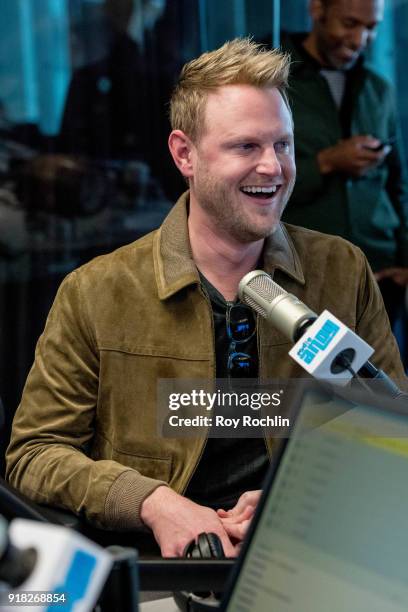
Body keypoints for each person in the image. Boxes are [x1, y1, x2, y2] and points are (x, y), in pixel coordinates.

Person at [6, 39, 406, 558]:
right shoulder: (97, 292)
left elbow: (391, 431)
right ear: (184, 154)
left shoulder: (342, 270)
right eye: (246, 147)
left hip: (302, 556)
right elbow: (35, 454)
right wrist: (151, 501)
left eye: (283, 145)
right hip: (159, 568)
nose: (273, 168)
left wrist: (302, 495)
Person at [280, 0, 408, 334]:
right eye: (349, 23)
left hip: (381, 276)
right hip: (304, 276)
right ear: (317, 9)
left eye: (371, 27)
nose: (359, 39)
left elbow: (399, 184)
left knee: (379, 384)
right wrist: (326, 163)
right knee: (311, 384)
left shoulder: (379, 90)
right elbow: (251, 180)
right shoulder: (274, 80)